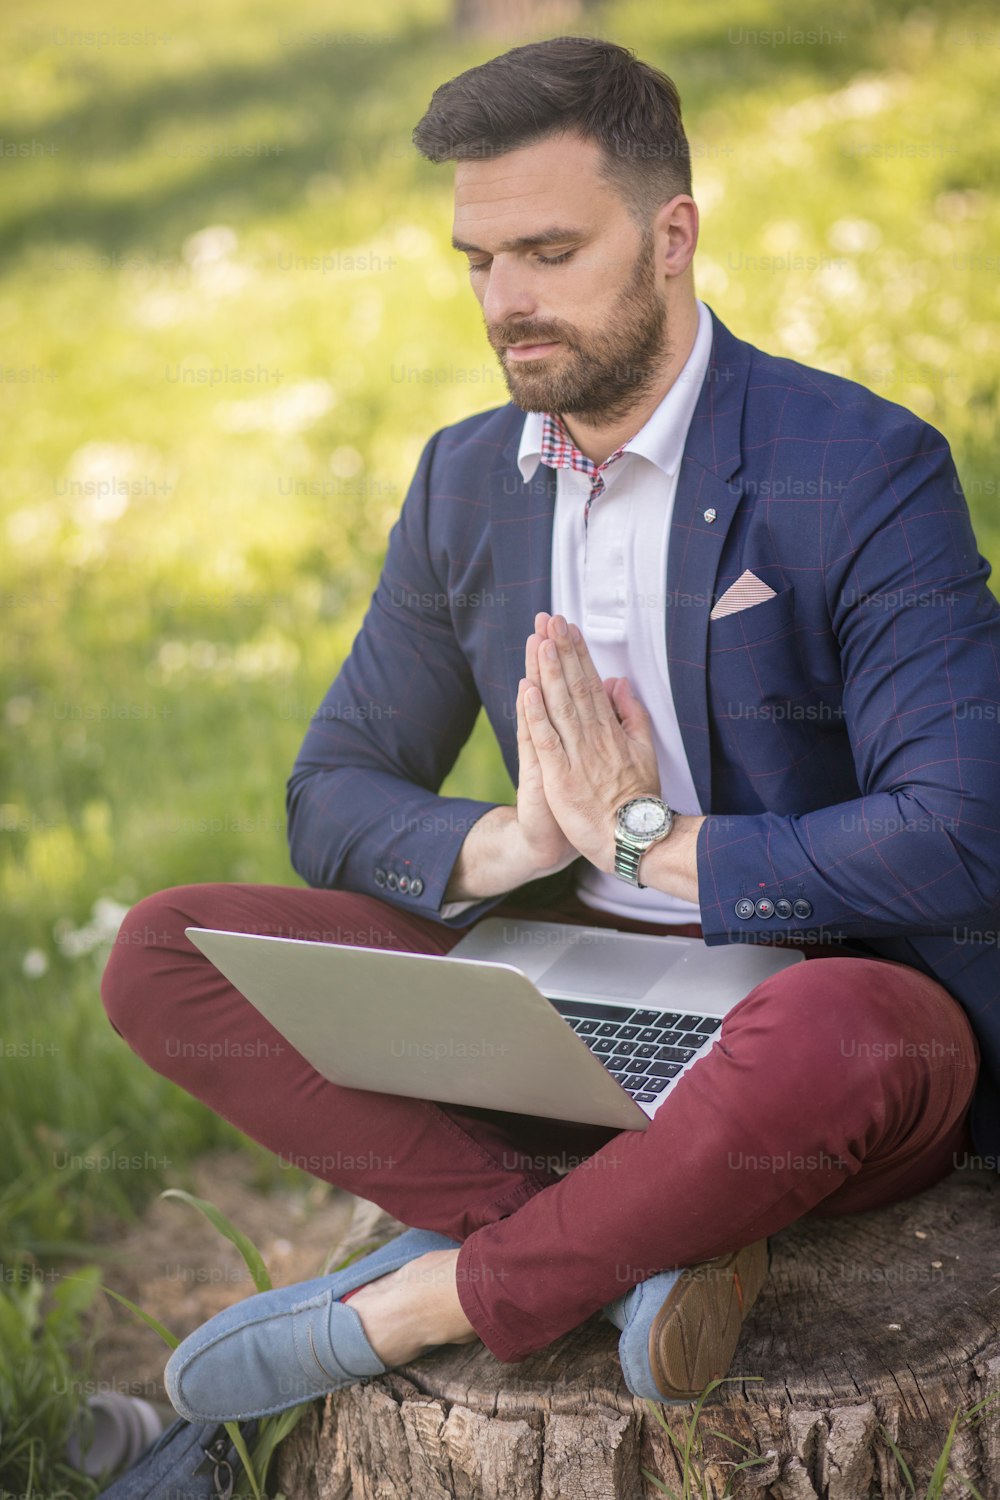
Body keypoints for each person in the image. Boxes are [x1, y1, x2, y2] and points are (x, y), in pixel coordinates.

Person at [101, 37, 999, 1424]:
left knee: (843, 1032)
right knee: (168, 954)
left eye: (548, 250)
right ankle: (602, 1242)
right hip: (546, 1014)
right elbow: (333, 791)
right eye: (477, 260)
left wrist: (658, 844)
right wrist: (512, 839)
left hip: (803, 1031)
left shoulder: (860, 468)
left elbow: (959, 834)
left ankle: (431, 1299)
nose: (506, 302)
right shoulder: (467, 480)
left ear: (672, 237)